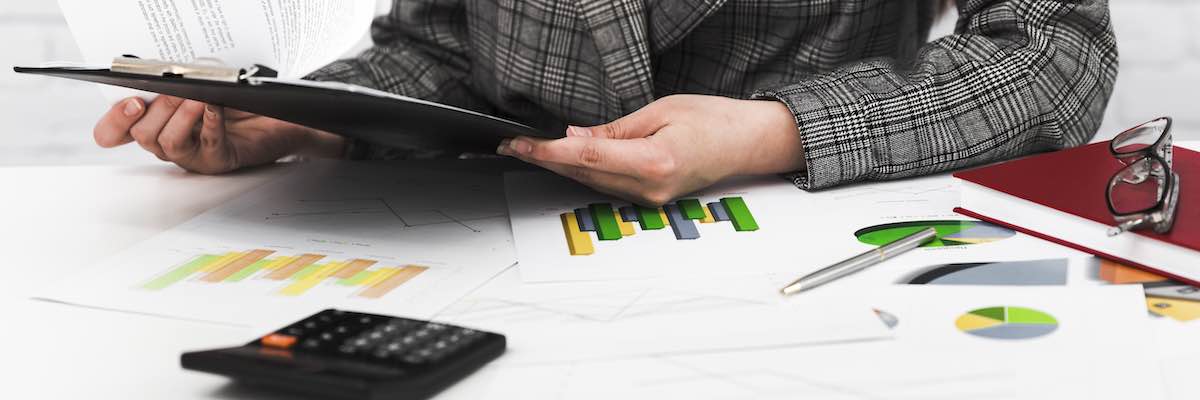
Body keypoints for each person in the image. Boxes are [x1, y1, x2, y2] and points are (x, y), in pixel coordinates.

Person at [91, 0, 1117, 206]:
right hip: (507, 273)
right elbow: (444, 46)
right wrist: (304, 116)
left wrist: (778, 130)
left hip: (802, 229)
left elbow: (1057, 47)